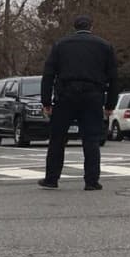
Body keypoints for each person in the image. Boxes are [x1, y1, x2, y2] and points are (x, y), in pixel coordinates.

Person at [40, 15, 119, 191]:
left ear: (74, 27)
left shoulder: (61, 45)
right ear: (92, 26)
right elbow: (113, 78)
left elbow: (48, 75)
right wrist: (110, 104)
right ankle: (91, 181)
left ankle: (51, 179)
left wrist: (46, 101)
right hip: (93, 96)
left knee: (57, 139)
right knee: (91, 139)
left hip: (66, 95)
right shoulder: (104, 46)